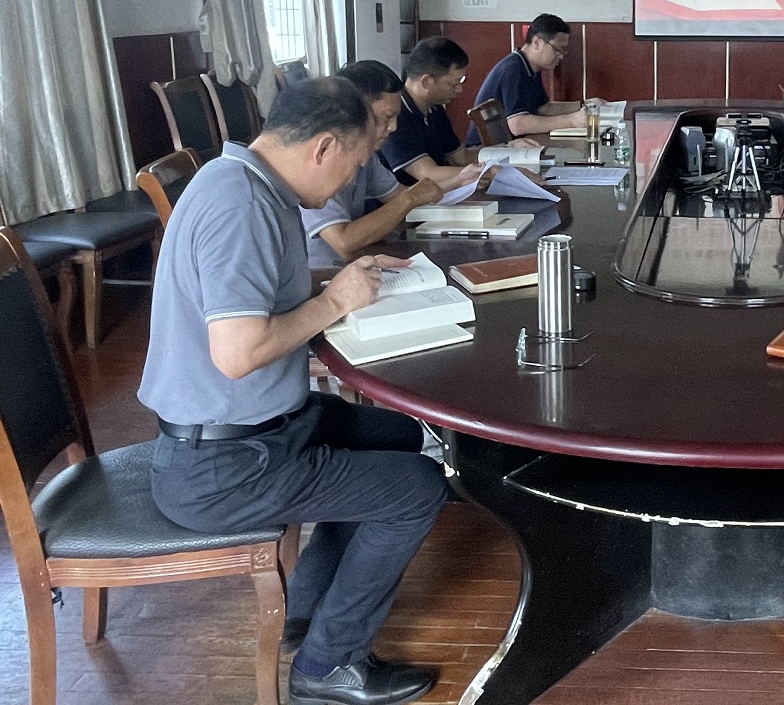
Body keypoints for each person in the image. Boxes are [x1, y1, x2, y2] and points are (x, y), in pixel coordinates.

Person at [140, 76, 447, 705]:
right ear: (323, 147)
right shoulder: (240, 206)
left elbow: (262, 290)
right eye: (353, 165)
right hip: (222, 466)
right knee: (418, 488)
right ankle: (328, 666)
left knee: (400, 434)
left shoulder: (251, 182)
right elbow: (238, 353)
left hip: (260, 429)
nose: (348, 184)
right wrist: (334, 302)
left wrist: (341, 279)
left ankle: (306, 609)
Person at [302, 60, 446, 267]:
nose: (393, 127)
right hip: (324, 275)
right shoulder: (322, 158)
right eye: (386, 117)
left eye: (396, 117)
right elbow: (343, 242)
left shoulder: (368, 157)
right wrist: (410, 198)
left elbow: (399, 199)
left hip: (361, 264)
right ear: (354, 112)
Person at [381, 35, 535, 186]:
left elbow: (460, 156)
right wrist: (491, 172)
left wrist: (509, 150)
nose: (459, 90)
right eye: (454, 84)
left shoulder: (434, 108)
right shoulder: (395, 116)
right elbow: (429, 174)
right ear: (427, 81)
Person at [462, 13, 591, 143]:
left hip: (512, 145)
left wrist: (585, 105)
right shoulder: (513, 69)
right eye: (558, 49)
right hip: (486, 150)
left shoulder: (530, 67)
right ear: (537, 42)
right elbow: (517, 124)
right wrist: (571, 121)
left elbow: (543, 109)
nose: (561, 56)